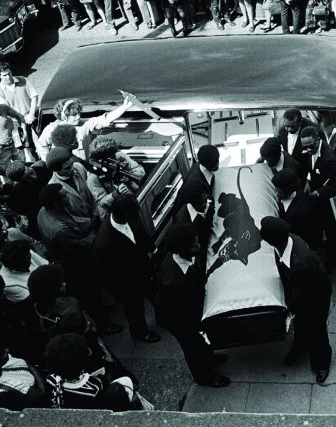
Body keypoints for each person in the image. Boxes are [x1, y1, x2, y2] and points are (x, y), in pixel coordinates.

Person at [154, 223, 230, 388]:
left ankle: (209, 357)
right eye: (195, 245)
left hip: (188, 306)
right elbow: (186, 312)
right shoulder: (172, 281)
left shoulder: (186, 255)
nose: (199, 245)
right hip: (178, 318)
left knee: (201, 340)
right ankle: (203, 377)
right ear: (183, 249)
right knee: (192, 346)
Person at [260, 216, 332, 384]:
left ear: (272, 241)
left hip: (316, 296)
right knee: (302, 323)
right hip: (305, 288)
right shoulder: (288, 239)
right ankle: (300, 347)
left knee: (317, 329)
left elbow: (300, 295)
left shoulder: (300, 263)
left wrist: (289, 309)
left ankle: (322, 363)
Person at [93, 194, 160, 343]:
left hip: (143, 269)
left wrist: (153, 249)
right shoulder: (104, 243)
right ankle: (140, 333)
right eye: (135, 212)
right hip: (126, 283)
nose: (137, 214)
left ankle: (163, 317)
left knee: (155, 293)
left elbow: (141, 234)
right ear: (124, 214)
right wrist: (121, 294)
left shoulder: (130, 216)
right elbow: (105, 275)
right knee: (135, 310)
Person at [300, 124, 336, 270]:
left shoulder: (328, 159)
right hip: (317, 193)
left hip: (328, 201)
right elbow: (311, 167)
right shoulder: (312, 149)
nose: (307, 150)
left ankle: (333, 260)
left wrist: (319, 193)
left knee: (331, 231)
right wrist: (308, 181)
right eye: (305, 147)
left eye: (310, 146)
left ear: (317, 141)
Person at [35, 94, 134, 161]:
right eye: (74, 115)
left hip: (83, 168)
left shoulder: (84, 125)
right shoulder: (51, 129)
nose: (78, 117)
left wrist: (124, 107)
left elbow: (105, 119)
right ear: (63, 116)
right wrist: (49, 162)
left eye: (78, 113)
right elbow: (41, 145)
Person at [0, 63, 39, 160]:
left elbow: (34, 96)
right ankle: (36, 162)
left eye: (9, 73)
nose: (8, 77)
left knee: (44, 136)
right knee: (27, 144)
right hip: (17, 121)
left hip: (32, 114)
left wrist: (31, 114)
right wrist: (22, 121)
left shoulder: (23, 80)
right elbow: (7, 111)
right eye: (4, 75)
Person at [272, 169, 325, 255]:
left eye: (279, 191)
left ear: (288, 190)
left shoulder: (297, 212)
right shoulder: (296, 190)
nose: (276, 194)